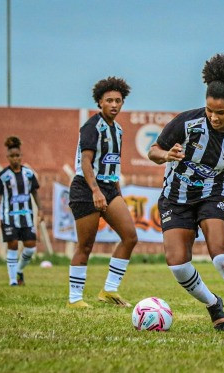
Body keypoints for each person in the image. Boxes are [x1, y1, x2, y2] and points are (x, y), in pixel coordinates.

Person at [147, 54, 224, 332]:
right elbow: (152, 151)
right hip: (176, 197)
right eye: (210, 109)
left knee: (221, 257)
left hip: (215, 196)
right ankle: (213, 304)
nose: (213, 116)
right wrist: (167, 156)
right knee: (178, 267)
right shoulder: (185, 123)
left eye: (221, 112)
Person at [67, 76, 138, 309]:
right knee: (85, 245)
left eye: (118, 100)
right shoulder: (91, 127)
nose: (114, 105)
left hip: (109, 187)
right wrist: (96, 191)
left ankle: (109, 289)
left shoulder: (118, 129)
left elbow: (112, 164)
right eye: (109, 100)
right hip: (86, 188)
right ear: (100, 102)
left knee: (130, 236)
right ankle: (75, 299)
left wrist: (115, 192)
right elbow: (86, 162)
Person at [0, 136, 43, 286]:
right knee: (13, 245)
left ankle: (18, 270)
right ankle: (12, 281)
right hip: (9, 217)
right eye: (12, 156)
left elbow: (35, 192)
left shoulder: (29, 174)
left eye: (18, 155)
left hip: (27, 216)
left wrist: (40, 210)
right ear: (7, 157)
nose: (15, 158)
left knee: (30, 248)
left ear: (21, 156)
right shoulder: (3, 176)